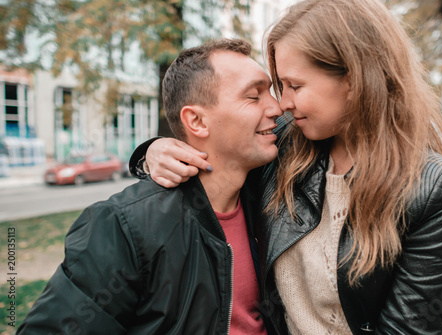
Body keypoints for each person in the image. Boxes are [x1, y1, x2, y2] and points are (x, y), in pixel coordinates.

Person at [130, 0, 442, 334]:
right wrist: (153, 151)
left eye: (294, 85)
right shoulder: (282, 146)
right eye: (281, 86)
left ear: (355, 80)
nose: (283, 104)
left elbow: (409, 327)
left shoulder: (431, 186)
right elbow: (216, 150)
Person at [18, 38, 282, 334]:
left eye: (272, 91)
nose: (277, 107)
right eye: (253, 96)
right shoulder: (125, 226)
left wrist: (150, 149)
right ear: (196, 121)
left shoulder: (271, 192)